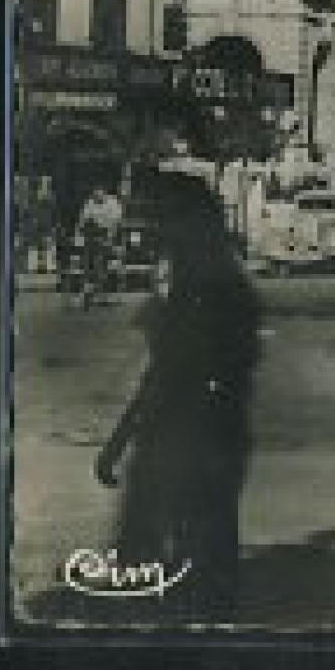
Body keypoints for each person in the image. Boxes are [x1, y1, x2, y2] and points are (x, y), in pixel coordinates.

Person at [95, 166, 261, 621]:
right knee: (174, 565)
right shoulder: (195, 289)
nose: (160, 232)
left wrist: (126, 442)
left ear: (196, 226)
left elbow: (179, 375)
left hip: (198, 442)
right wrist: (121, 441)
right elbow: (160, 374)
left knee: (192, 568)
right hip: (180, 439)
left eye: (170, 220)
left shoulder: (217, 294)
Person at [76, 179, 125, 308]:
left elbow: (116, 221)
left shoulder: (113, 203)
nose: (97, 194)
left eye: (99, 191)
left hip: (110, 237)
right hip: (93, 238)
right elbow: (83, 220)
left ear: (104, 192)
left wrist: (104, 225)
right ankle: (90, 288)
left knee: (100, 257)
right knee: (91, 257)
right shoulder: (90, 203)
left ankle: (97, 289)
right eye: (95, 192)